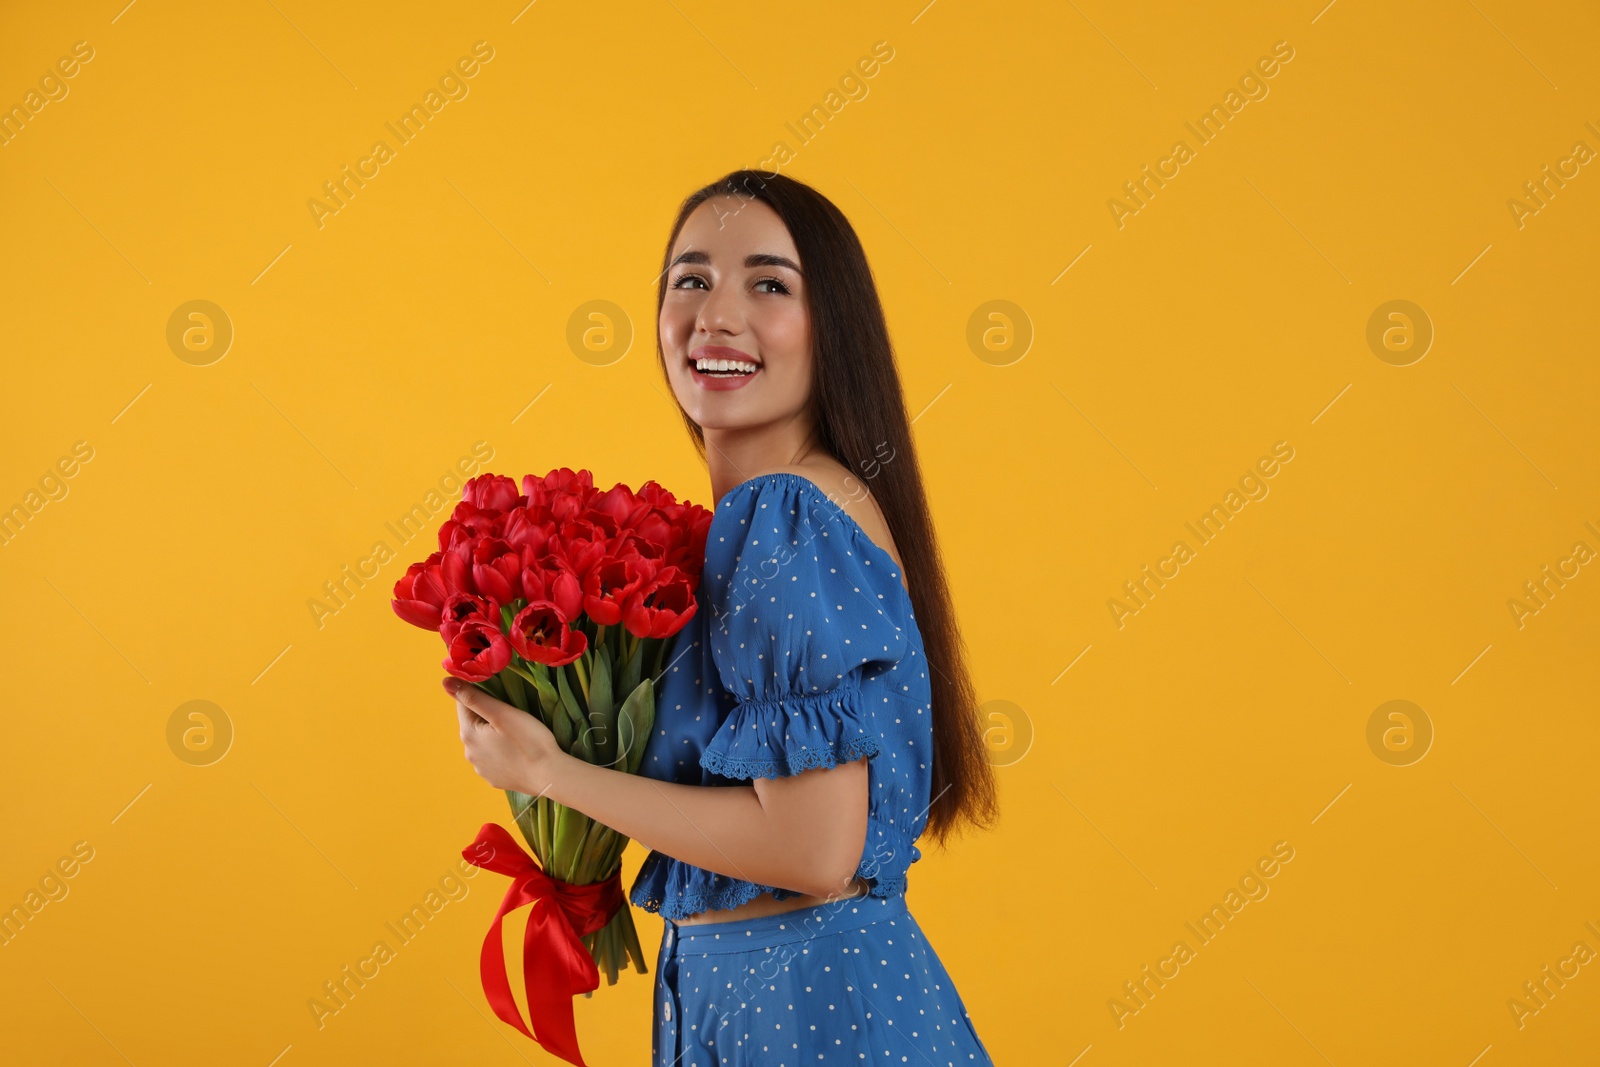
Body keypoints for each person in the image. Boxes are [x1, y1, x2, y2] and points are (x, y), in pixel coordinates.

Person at [445, 169, 1000, 1065]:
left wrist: (549, 774)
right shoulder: (802, 508)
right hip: (781, 995)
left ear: (834, 329)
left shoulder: (780, 517)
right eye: (691, 279)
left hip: (805, 1012)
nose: (717, 316)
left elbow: (814, 849)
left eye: (769, 284)